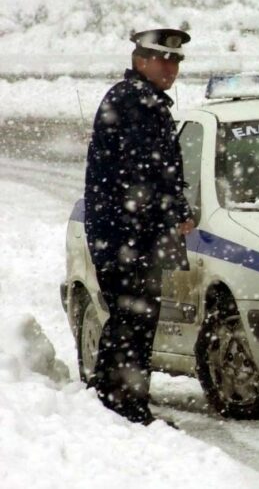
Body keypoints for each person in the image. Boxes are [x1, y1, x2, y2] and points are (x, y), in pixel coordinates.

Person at [84, 28, 195, 425]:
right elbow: (143, 174)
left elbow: (152, 172)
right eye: (163, 59)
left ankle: (113, 403)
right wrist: (172, 210)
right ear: (140, 60)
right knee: (133, 323)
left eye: (177, 60)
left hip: (129, 235)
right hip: (127, 237)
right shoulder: (134, 102)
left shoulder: (141, 100)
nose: (171, 67)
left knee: (131, 322)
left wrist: (173, 210)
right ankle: (125, 408)